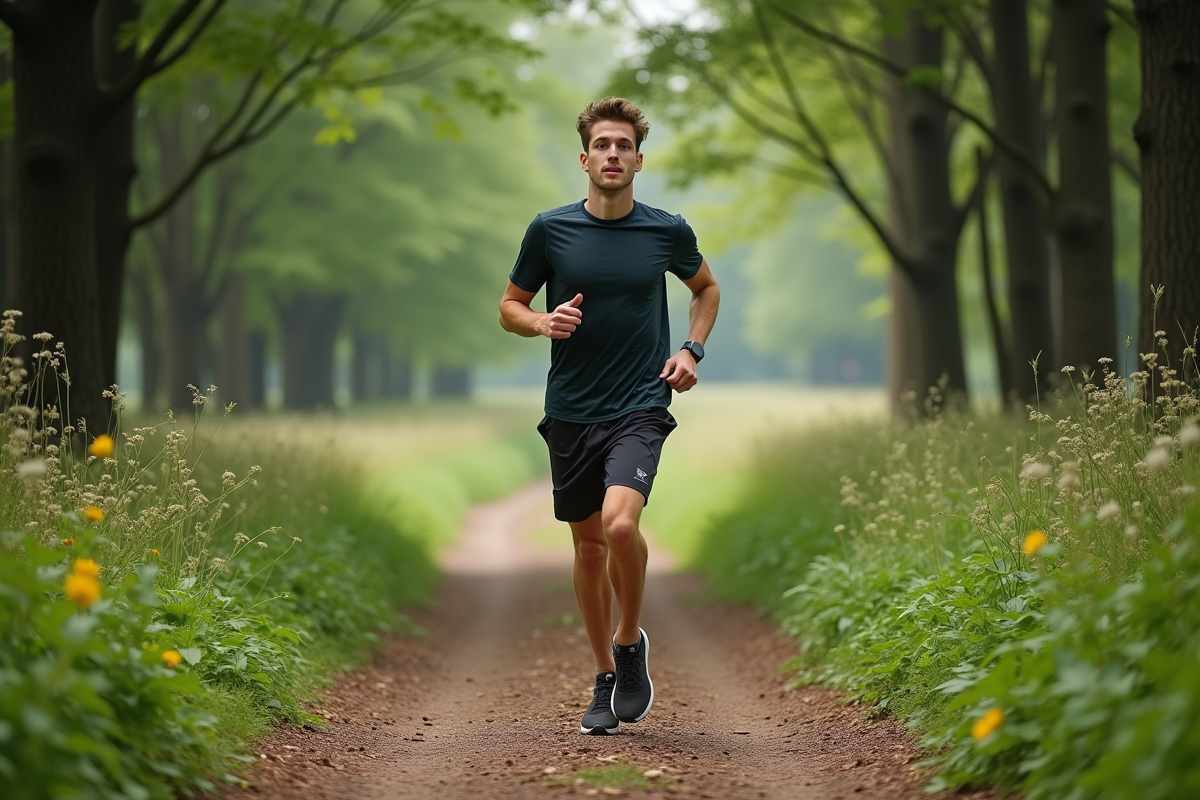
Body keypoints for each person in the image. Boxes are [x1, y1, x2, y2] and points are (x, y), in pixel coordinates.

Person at [498, 97, 720, 736]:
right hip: (571, 408)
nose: (613, 155)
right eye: (603, 145)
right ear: (585, 158)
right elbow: (510, 305)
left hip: (640, 403)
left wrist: (690, 348)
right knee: (589, 547)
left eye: (623, 145)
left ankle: (629, 644)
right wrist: (542, 321)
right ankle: (603, 674)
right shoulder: (550, 230)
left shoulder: (666, 231)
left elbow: (705, 287)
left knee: (621, 528)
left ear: (639, 159)